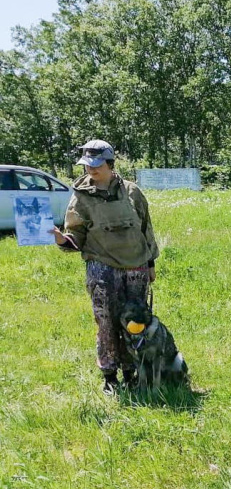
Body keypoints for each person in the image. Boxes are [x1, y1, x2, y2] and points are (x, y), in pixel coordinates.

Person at [51, 140, 160, 393]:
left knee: (135, 322)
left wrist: (150, 263)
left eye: (97, 164)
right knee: (107, 322)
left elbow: (146, 229)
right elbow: (75, 237)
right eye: (87, 164)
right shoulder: (80, 197)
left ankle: (132, 371)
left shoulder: (132, 191)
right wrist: (60, 238)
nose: (91, 169)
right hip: (102, 267)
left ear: (110, 164)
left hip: (136, 267)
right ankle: (110, 376)